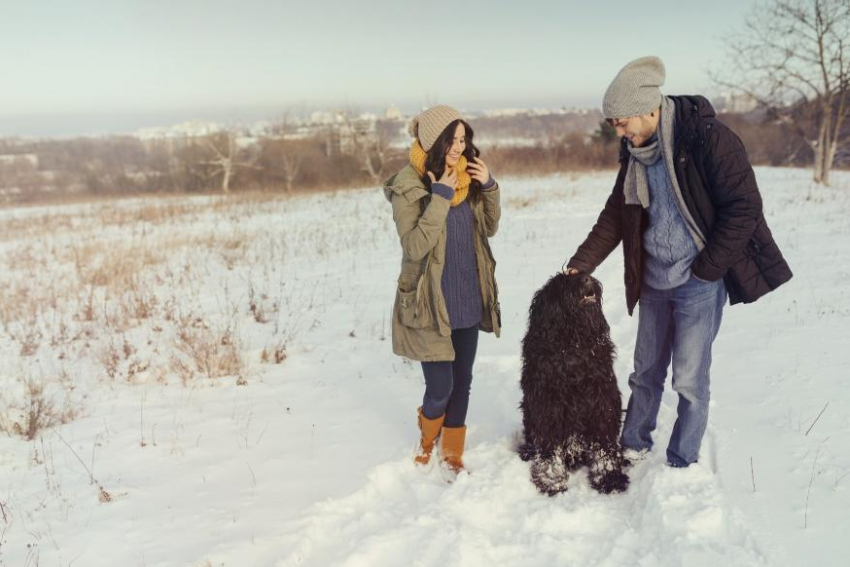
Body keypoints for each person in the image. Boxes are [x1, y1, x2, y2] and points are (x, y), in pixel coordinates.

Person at [564, 56, 792, 468]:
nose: (616, 130)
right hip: (653, 278)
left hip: (698, 282)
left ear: (649, 108)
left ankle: (682, 459)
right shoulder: (634, 152)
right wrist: (581, 264)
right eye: (613, 122)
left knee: (688, 379)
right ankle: (632, 445)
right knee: (645, 371)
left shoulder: (708, 139)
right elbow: (617, 214)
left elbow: (744, 208)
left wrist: (707, 269)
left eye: (621, 121)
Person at [383, 105, 501, 479]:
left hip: (467, 294)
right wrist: (439, 197)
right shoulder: (409, 186)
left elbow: (490, 228)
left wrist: (490, 187)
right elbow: (415, 247)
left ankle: (452, 451)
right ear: (432, 142)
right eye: (451, 141)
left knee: (462, 381)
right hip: (430, 303)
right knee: (441, 387)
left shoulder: (468, 181)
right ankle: (427, 437)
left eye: (463, 140)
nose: (458, 148)